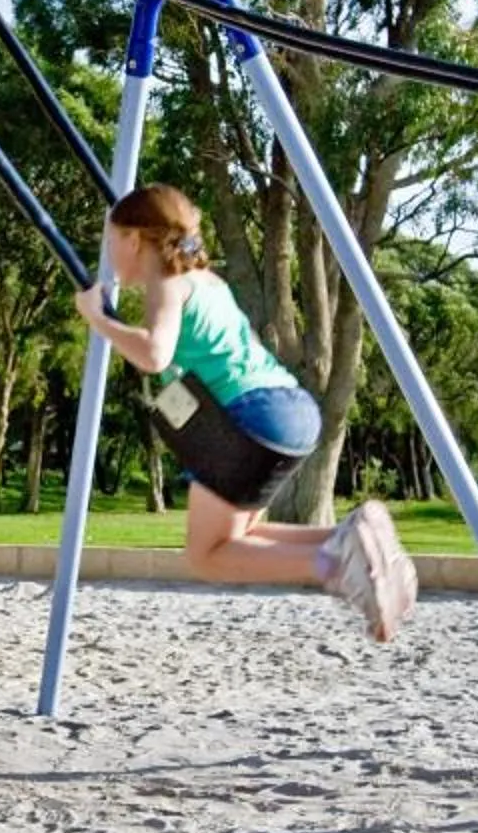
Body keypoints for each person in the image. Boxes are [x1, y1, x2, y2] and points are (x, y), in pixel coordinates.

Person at [71, 184, 416, 642]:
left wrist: (99, 319)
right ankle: (350, 536)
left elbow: (154, 354)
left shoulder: (168, 285)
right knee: (245, 534)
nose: (109, 252)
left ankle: (332, 563)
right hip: (290, 408)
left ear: (135, 238)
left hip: (249, 417)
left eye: (112, 239)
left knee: (206, 555)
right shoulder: (210, 281)